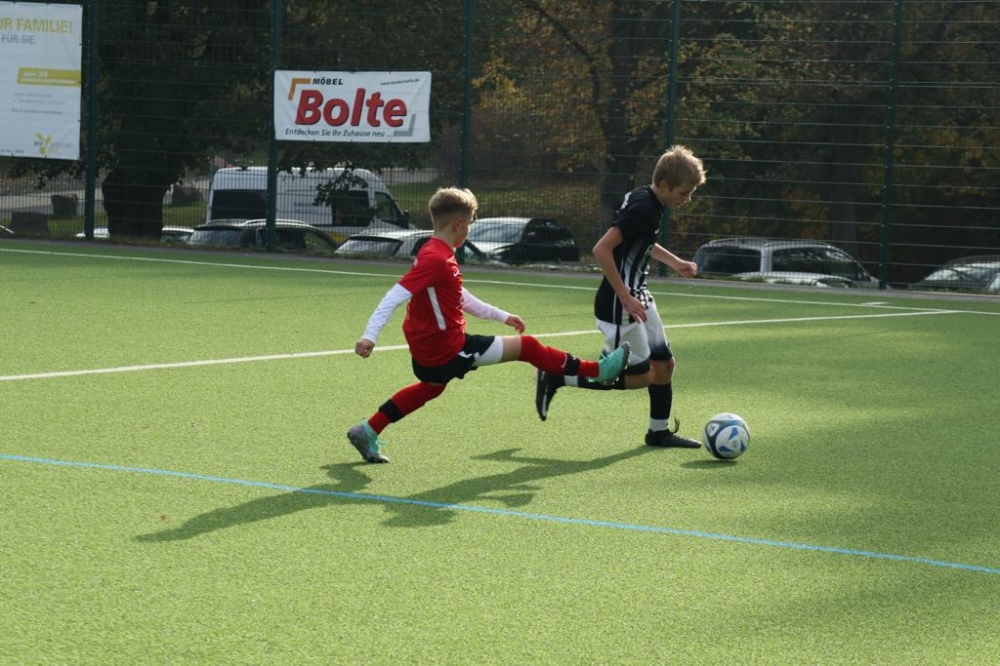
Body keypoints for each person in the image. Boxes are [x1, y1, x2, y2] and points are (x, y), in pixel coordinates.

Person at [347, 186, 631, 463]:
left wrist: (500, 315)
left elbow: (458, 295)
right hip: (446, 350)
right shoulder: (437, 259)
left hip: (429, 349)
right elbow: (395, 295)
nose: (469, 229)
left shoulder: (433, 250)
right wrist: (369, 335)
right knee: (528, 347)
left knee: (432, 387)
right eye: (469, 224)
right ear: (458, 224)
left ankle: (368, 430)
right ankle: (598, 371)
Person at [535, 145, 706, 448]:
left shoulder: (648, 200)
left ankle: (658, 432)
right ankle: (557, 376)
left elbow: (642, 241)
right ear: (663, 185)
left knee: (664, 365)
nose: (687, 199)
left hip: (639, 297)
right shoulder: (643, 208)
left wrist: (675, 262)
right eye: (683, 193)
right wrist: (625, 297)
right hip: (620, 305)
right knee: (636, 376)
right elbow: (601, 249)